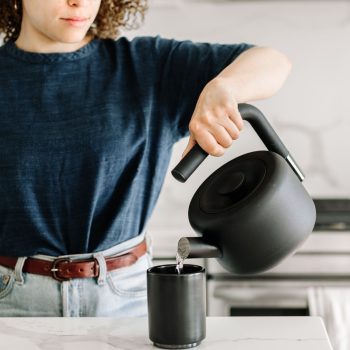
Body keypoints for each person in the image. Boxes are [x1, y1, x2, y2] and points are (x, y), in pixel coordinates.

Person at [0, 0, 291, 317]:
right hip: (11, 301)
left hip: (128, 298)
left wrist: (223, 87)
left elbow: (273, 62)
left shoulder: (149, 66)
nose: (79, 2)